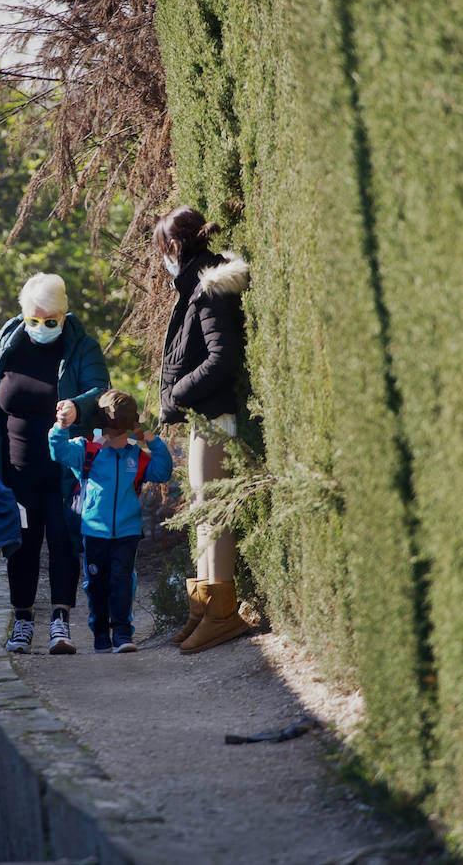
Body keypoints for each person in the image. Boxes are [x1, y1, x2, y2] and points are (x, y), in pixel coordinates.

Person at [0, 272, 109, 655]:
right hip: (14, 471)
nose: (41, 328)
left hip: (66, 472)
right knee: (21, 546)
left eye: (50, 321)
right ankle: (22, 622)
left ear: (63, 314)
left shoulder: (81, 348)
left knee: (63, 541)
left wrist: (79, 407)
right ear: (23, 314)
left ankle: (60, 623)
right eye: (33, 320)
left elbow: (101, 391)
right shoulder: (6, 345)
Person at [155, 207, 252, 655]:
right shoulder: (194, 285)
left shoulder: (209, 286)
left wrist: (177, 395)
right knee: (202, 510)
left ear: (174, 248)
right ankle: (203, 609)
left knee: (211, 513)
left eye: (163, 252)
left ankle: (223, 615)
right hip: (203, 414)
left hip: (214, 414)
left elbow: (222, 357)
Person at [49, 389, 173, 653]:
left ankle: (122, 634)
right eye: (111, 433)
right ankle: (101, 636)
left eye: (123, 433)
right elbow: (58, 452)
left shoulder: (136, 456)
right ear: (100, 427)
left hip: (127, 532)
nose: (117, 439)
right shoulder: (86, 451)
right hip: (94, 531)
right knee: (96, 585)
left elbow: (162, 471)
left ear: (131, 430)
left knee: (122, 580)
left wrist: (149, 439)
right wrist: (60, 426)